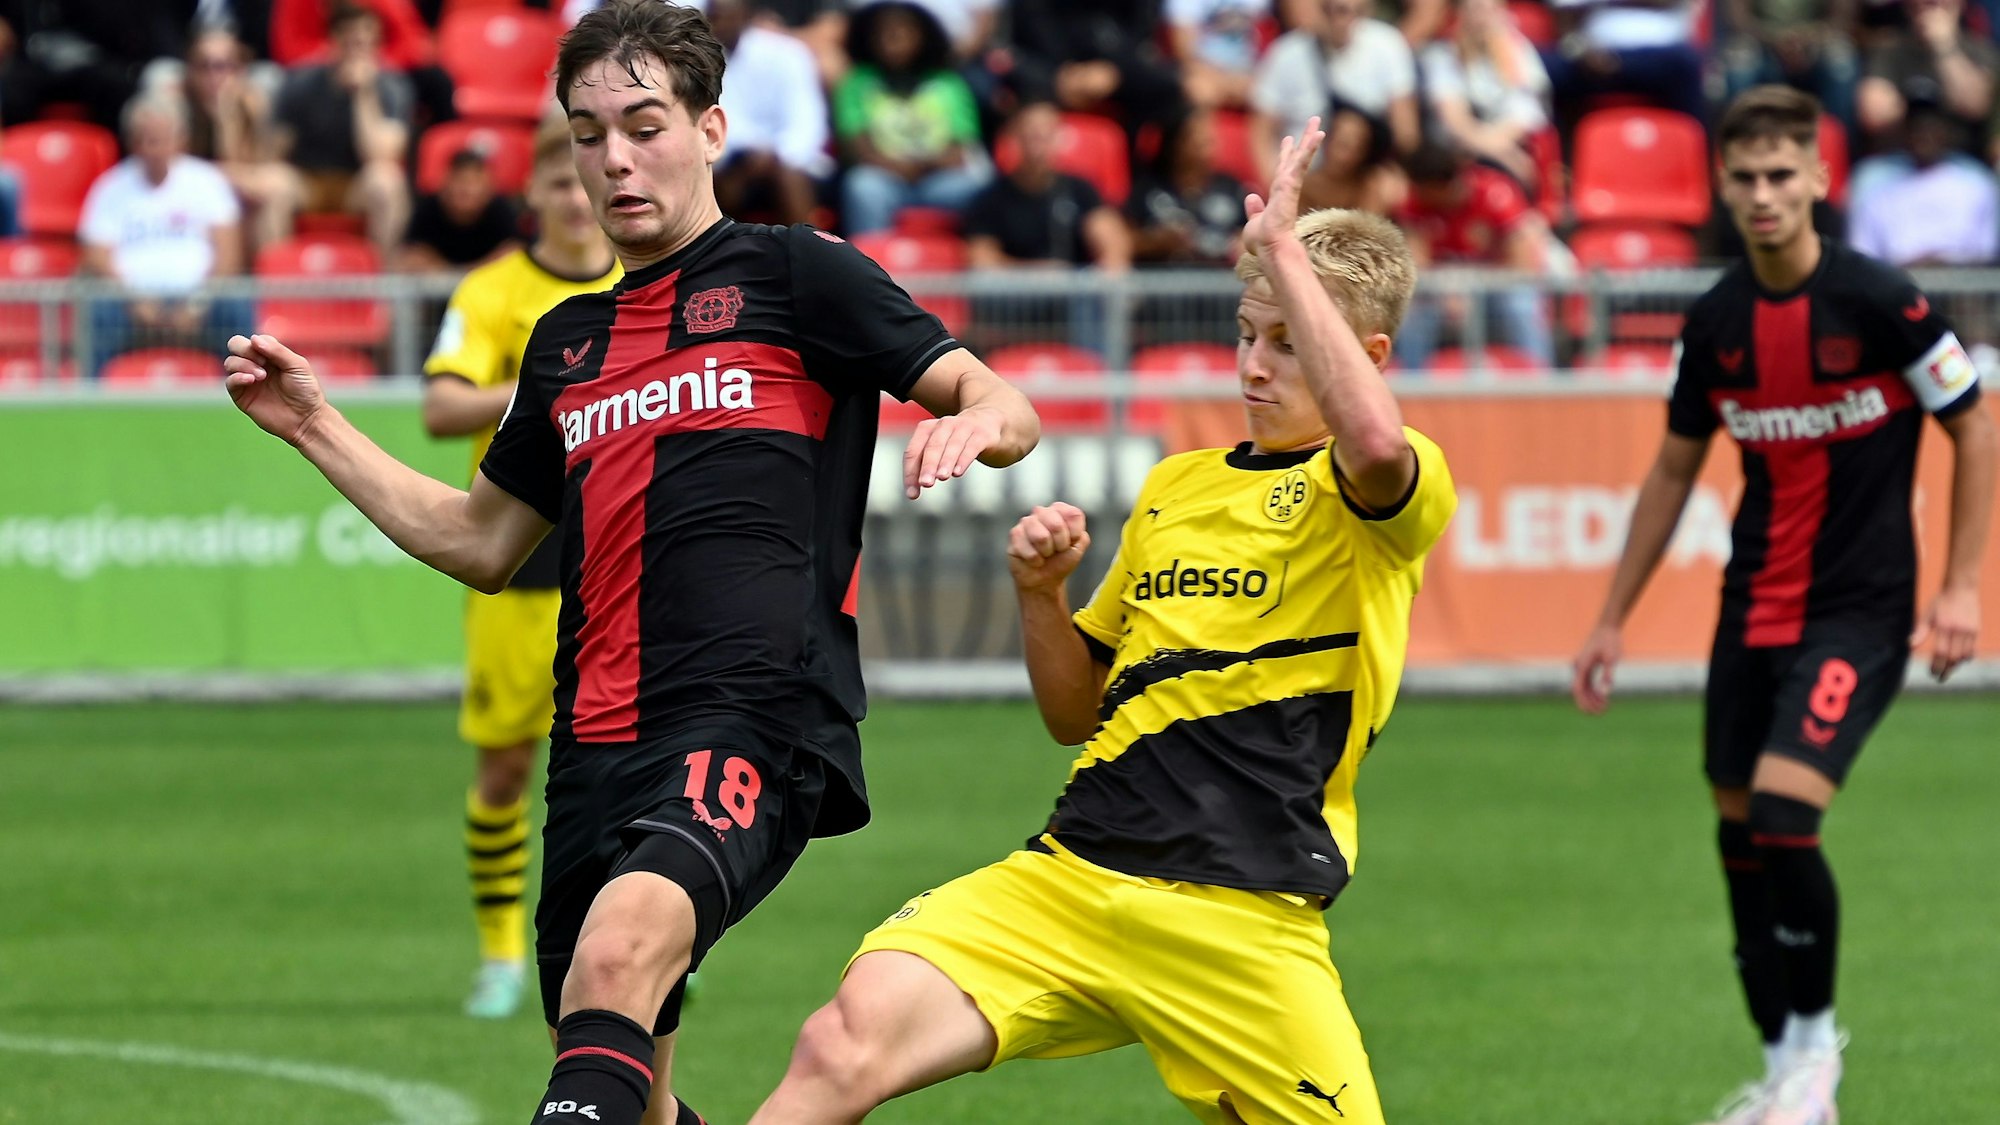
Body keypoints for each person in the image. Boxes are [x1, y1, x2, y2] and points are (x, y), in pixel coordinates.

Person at [221, 3, 1041, 1124]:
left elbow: (1002, 400)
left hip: (751, 717)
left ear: (709, 129)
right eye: (585, 133)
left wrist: (976, 422)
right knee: (630, 1078)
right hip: (593, 745)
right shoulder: (564, 343)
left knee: (613, 964)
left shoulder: (799, 275)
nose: (613, 158)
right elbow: (478, 542)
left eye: (642, 125)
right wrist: (314, 425)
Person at [748, 116, 1458, 1125]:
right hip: (1071, 878)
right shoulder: (1176, 486)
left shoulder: (1386, 492)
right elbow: (1073, 712)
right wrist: (1040, 598)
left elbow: (1375, 443)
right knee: (839, 1043)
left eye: (1290, 346)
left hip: (1239, 917)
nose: (1254, 366)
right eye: (1246, 335)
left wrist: (1289, 251)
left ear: (1367, 354)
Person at [1572, 86, 1995, 1125]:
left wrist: (1957, 587)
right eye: (1743, 178)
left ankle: (1814, 1058)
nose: (1761, 196)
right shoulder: (1713, 322)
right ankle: (1779, 1075)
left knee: (1781, 813)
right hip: (1748, 606)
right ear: (1720, 186)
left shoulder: (1882, 302)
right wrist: (1610, 615)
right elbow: (1671, 475)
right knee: (1736, 837)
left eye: (1779, 176)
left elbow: (1973, 426)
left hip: (1859, 611)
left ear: (1816, 180)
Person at [419, 120, 622, 1021]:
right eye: (562, 186)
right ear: (536, 195)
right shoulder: (492, 289)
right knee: (506, 768)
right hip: (522, 561)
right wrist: (546, 382)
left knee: (631, 767)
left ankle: (635, 945)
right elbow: (438, 406)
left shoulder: (641, 281)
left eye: (586, 188)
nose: (578, 204)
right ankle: (501, 952)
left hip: (623, 557)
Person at [79, 93, 251, 376]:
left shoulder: (207, 181)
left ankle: (246, 392)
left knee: (235, 304)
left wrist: (197, 304)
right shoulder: (110, 187)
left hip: (202, 301)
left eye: (161, 139)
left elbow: (229, 255)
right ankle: (88, 403)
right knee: (98, 308)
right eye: (145, 140)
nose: (153, 149)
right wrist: (135, 301)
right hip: (129, 304)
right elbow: (97, 257)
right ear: (132, 142)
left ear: (180, 139)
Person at [833, 0, 992, 235]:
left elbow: (959, 151)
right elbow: (858, 150)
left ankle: (974, 263)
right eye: (885, 32)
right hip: (883, 180)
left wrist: (920, 167)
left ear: (922, 36)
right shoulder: (856, 83)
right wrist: (902, 168)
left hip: (937, 182)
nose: (893, 38)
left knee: (975, 188)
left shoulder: (950, 84)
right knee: (861, 185)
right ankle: (868, 267)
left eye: (903, 31)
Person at [1394, 139, 1556, 369]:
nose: (1419, 196)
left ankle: (1542, 382)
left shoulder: (1495, 193)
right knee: (1413, 315)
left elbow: (1523, 266)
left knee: (1522, 306)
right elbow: (1418, 265)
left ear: (1443, 186)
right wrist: (1445, 291)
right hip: (1447, 291)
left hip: (1498, 286)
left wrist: (1476, 290)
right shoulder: (1414, 202)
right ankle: (1411, 389)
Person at [273, 1, 415, 256]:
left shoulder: (394, 87)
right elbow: (275, 152)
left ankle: (384, 289)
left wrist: (364, 94)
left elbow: (381, 155)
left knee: (387, 181)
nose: (357, 52)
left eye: (365, 43)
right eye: (350, 41)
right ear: (333, 41)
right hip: (308, 183)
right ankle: (273, 288)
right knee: (274, 183)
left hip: (357, 187)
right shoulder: (300, 82)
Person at [399, 147, 524, 272]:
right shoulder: (427, 210)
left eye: (474, 182)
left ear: (489, 186)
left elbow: (514, 253)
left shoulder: (502, 211)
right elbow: (411, 257)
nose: (466, 189)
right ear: (445, 182)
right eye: (460, 180)